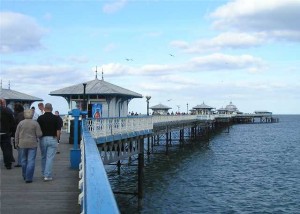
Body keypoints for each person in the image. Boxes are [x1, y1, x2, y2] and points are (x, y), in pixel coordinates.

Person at [15, 109, 42, 183]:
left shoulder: (21, 123)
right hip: (32, 143)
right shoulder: (35, 123)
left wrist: (16, 143)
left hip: (22, 143)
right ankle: (29, 177)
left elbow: (16, 134)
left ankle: (24, 174)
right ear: (32, 115)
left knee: (23, 160)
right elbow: (39, 134)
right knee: (31, 160)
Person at [37, 103, 59, 181]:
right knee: (49, 157)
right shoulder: (55, 118)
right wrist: (58, 140)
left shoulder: (40, 118)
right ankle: (47, 175)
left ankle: (44, 173)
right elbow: (58, 131)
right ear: (51, 108)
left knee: (43, 156)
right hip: (52, 138)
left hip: (42, 139)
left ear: (44, 109)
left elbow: (38, 130)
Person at [0, 98, 15, 169]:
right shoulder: (8, 111)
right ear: (2, 103)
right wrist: (11, 132)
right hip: (5, 132)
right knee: (6, 149)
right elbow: (12, 122)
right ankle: (8, 164)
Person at [13, 103, 25, 167]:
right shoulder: (24, 114)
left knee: (19, 148)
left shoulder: (17, 115)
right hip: (25, 133)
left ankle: (20, 162)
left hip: (19, 132)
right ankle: (21, 161)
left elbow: (16, 124)